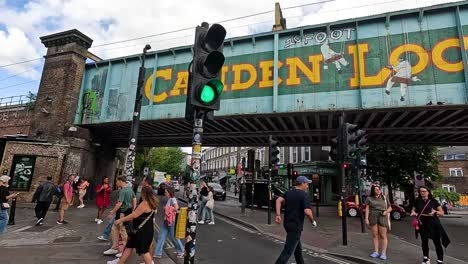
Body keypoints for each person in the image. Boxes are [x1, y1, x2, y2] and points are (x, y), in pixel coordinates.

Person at [107, 186, 158, 264]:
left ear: (144, 193)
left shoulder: (145, 203)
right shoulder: (152, 202)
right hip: (144, 229)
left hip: (141, 230)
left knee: (144, 251)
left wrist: (120, 220)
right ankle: (120, 262)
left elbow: (134, 215)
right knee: (129, 246)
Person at [274, 176, 316, 264]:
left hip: (287, 224)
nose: (307, 186)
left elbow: (278, 200)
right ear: (302, 183)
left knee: (298, 251)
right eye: (307, 184)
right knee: (288, 251)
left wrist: (278, 215)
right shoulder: (304, 195)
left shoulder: (289, 192)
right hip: (296, 226)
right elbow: (307, 212)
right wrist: (313, 221)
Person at [411, 186, 450, 264]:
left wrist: (435, 212)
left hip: (433, 223)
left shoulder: (433, 201)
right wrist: (413, 212)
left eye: (424, 191)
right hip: (422, 223)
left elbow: (442, 212)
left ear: (428, 192)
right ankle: (426, 258)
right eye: (421, 191)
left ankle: (440, 259)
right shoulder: (417, 200)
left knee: (437, 242)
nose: (422, 193)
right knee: (424, 241)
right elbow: (413, 209)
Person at [103, 176, 137, 257]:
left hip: (122, 213)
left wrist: (112, 212)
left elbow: (119, 203)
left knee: (123, 231)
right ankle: (114, 248)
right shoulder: (129, 189)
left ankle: (124, 251)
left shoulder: (123, 191)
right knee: (115, 228)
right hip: (126, 211)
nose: (116, 183)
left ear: (121, 181)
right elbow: (134, 198)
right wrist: (134, 208)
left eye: (117, 181)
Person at [154, 187, 185, 259]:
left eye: (166, 192)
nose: (165, 193)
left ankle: (181, 250)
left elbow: (177, 208)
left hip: (171, 221)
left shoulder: (173, 199)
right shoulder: (169, 199)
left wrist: (168, 209)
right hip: (166, 221)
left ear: (169, 193)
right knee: (161, 236)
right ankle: (158, 253)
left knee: (174, 237)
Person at [364, 185, 392, 260]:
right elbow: (367, 209)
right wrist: (366, 219)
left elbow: (390, 208)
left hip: (382, 216)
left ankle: (383, 253)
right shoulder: (369, 198)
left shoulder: (384, 198)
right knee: (375, 235)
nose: (378, 190)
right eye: (376, 189)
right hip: (372, 217)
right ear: (373, 190)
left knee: (383, 236)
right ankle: (376, 252)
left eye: (379, 189)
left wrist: (386, 211)